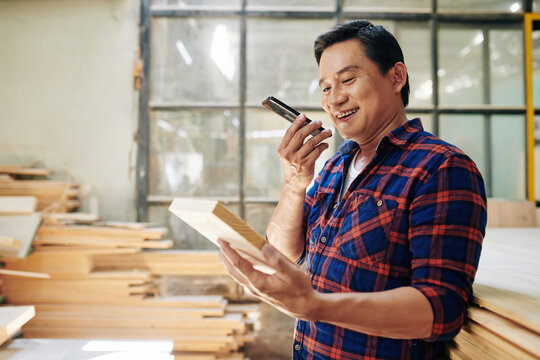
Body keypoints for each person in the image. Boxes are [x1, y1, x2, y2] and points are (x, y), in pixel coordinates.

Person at [218, 19, 487, 359]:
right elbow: (288, 253)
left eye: (347, 79)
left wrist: (316, 306)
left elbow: (440, 308)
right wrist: (294, 183)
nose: (335, 98)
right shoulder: (334, 166)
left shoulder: (440, 168)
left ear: (396, 77)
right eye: (326, 88)